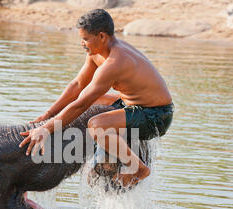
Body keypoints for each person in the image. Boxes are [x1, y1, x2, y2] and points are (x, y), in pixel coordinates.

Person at [19, 9, 174, 188]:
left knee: (96, 125)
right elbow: (77, 85)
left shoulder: (115, 62)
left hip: (156, 115)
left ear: (101, 36)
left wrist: (46, 129)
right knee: (93, 103)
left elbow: (80, 104)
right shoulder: (97, 53)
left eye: (85, 39)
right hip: (131, 104)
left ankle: (138, 168)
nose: (82, 44)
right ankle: (110, 151)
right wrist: (47, 115)